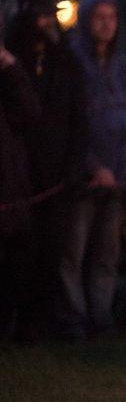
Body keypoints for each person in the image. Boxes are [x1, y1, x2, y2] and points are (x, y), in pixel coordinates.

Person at [58, 0, 126, 340]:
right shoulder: (72, 64)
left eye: (112, 18)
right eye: (99, 18)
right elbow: (70, 125)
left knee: (107, 254)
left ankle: (101, 316)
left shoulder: (122, 67)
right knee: (73, 252)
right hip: (85, 180)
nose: (106, 25)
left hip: (119, 178)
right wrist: (92, 165)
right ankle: (74, 318)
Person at [5, 0, 89, 341]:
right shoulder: (11, 62)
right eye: (36, 16)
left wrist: (73, 164)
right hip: (18, 175)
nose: (43, 24)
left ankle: (37, 322)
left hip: (57, 175)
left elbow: (79, 119)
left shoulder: (66, 64)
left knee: (52, 253)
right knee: (18, 252)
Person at [0, 34, 42, 342]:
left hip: (10, 188)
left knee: (15, 265)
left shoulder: (7, 77)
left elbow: (29, 111)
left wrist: (10, 66)